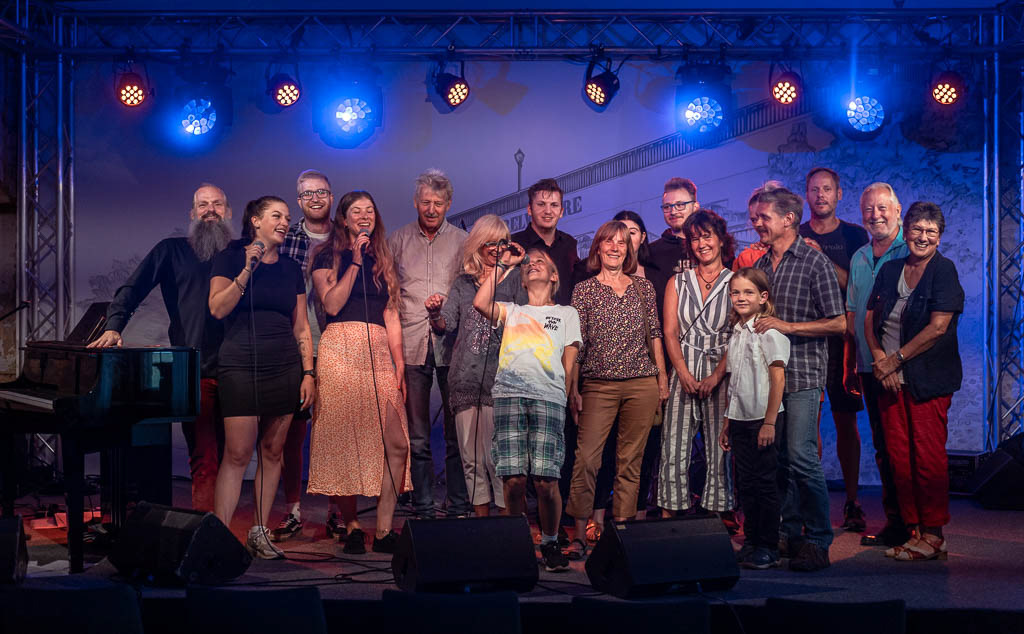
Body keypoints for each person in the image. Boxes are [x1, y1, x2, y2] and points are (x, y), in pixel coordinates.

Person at [88, 184, 231, 513]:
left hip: (240, 370)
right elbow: (133, 288)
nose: (210, 210)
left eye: (217, 204)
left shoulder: (241, 253)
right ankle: (205, 532)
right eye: (203, 205)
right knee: (205, 459)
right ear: (192, 213)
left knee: (235, 458)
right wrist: (113, 326)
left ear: (228, 212)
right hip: (196, 370)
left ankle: (227, 530)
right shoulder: (172, 250)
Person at [208, 196, 315, 559]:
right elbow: (217, 308)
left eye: (287, 217)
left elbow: (301, 327)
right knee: (237, 453)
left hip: (283, 366)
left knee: (272, 452)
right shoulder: (230, 257)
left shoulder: (290, 269)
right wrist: (247, 269)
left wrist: (308, 373)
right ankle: (218, 538)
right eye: (276, 216)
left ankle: (259, 533)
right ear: (255, 220)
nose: (284, 222)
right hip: (240, 364)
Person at [307, 191, 411, 555]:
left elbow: (391, 312)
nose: (364, 216)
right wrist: (353, 261)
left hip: (378, 350)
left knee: (397, 443)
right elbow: (332, 303)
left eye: (370, 210)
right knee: (343, 440)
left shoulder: (383, 257)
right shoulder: (326, 254)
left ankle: (383, 530)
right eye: (356, 211)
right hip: (340, 348)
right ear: (343, 218)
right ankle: (351, 525)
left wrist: (399, 361)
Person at [751, 183, 844, 572]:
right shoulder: (762, 265)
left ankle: (819, 539)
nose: (757, 223)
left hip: (803, 373)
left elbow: (839, 323)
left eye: (764, 217)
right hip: (769, 378)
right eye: (755, 218)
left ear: (789, 219)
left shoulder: (814, 261)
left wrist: (788, 327)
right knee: (781, 459)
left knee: (803, 456)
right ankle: (788, 535)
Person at [865, 202, 963, 562]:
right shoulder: (891, 268)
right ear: (905, 232)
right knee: (899, 458)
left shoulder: (944, 270)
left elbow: (938, 328)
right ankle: (914, 531)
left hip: (927, 380)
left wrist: (896, 361)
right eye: (917, 229)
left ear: (939, 237)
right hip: (890, 378)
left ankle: (934, 534)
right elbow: (870, 320)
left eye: (930, 232)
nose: (923, 237)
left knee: (927, 457)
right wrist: (880, 360)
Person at [565, 220, 669, 559]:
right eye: (608, 241)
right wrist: (573, 388)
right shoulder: (584, 290)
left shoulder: (644, 288)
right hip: (598, 385)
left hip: (641, 384)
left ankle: (622, 536)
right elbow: (576, 343)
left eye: (621, 243)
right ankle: (579, 536)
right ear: (598, 247)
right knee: (586, 460)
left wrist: (662, 379)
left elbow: (656, 335)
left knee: (630, 463)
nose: (614, 247)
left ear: (628, 250)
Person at [473, 247, 581, 572]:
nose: (533, 265)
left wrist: (564, 395)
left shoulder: (566, 313)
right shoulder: (512, 311)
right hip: (509, 395)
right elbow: (480, 303)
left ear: (554, 276)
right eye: (529, 264)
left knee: (546, 480)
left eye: (541, 262)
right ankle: (516, 541)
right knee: (514, 479)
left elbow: (569, 361)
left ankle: (550, 541)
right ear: (522, 280)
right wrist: (503, 264)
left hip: (548, 398)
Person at [426, 215, 527, 516]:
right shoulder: (463, 283)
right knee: (471, 460)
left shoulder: (515, 280)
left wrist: (508, 267)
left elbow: (525, 323)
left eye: (502, 243)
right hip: (465, 378)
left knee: (498, 460)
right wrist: (435, 314)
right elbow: (447, 324)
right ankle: (482, 526)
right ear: (477, 245)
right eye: (490, 243)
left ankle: (506, 526)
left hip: (502, 380)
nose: (496, 249)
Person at [388, 169, 470, 519]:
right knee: (418, 436)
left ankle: (458, 504)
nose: (431, 209)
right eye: (425, 202)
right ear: (415, 202)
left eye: (438, 203)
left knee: (455, 435)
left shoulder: (463, 241)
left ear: (449, 204)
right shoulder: (398, 240)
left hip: (453, 344)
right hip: (410, 342)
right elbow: (390, 294)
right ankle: (422, 506)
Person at [799, 167, 870, 531]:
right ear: (806, 195)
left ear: (839, 194)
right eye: (814, 189)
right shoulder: (795, 233)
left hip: (842, 342)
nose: (821, 195)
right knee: (806, 423)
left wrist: (821, 259)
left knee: (846, 421)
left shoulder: (855, 235)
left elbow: (856, 287)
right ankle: (811, 506)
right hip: (806, 341)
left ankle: (853, 502)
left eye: (827, 189)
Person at [658, 210, 735, 518]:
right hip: (684, 368)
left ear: (721, 239)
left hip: (722, 371)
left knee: (720, 446)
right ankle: (671, 513)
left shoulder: (735, 281)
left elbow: (738, 334)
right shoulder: (677, 282)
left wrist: (716, 376)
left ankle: (717, 514)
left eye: (707, 236)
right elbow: (669, 332)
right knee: (674, 445)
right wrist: (683, 373)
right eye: (694, 238)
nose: (702, 243)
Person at [846, 183, 910, 548]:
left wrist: (895, 360)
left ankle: (917, 524)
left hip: (899, 366)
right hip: (867, 366)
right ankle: (896, 523)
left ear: (898, 210)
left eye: (883, 208)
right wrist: (852, 363)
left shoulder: (911, 251)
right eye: (869, 209)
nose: (876, 215)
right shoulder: (859, 257)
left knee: (904, 447)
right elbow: (852, 315)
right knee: (884, 448)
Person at [274, 169, 334, 542]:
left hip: (337, 343)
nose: (315, 199)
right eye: (307, 194)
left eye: (321, 192)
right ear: (298, 200)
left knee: (334, 432)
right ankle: (293, 510)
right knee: (292, 434)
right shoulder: (286, 238)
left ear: (331, 196)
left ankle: (336, 512)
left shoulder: (345, 238)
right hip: (295, 346)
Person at [719, 268, 789, 570]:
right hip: (740, 419)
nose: (741, 298)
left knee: (765, 483)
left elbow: (778, 380)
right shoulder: (737, 333)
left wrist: (769, 422)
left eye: (748, 292)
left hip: (763, 418)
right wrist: (727, 422)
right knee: (745, 484)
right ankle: (751, 541)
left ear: (763, 297)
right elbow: (734, 382)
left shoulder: (769, 333)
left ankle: (768, 546)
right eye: (735, 292)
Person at [511, 178, 579, 307]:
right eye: (541, 204)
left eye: (554, 205)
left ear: (561, 212)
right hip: (525, 318)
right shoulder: (514, 244)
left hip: (563, 318)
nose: (548, 211)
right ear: (529, 209)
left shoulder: (569, 244)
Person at [648, 177, 700, 280]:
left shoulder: (711, 246)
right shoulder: (651, 252)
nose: (673, 212)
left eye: (680, 205)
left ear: (695, 207)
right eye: (667, 207)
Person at [733, 185, 774, 271]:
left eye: (764, 217)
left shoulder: (799, 250)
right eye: (754, 220)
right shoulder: (748, 258)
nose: (758, 224)